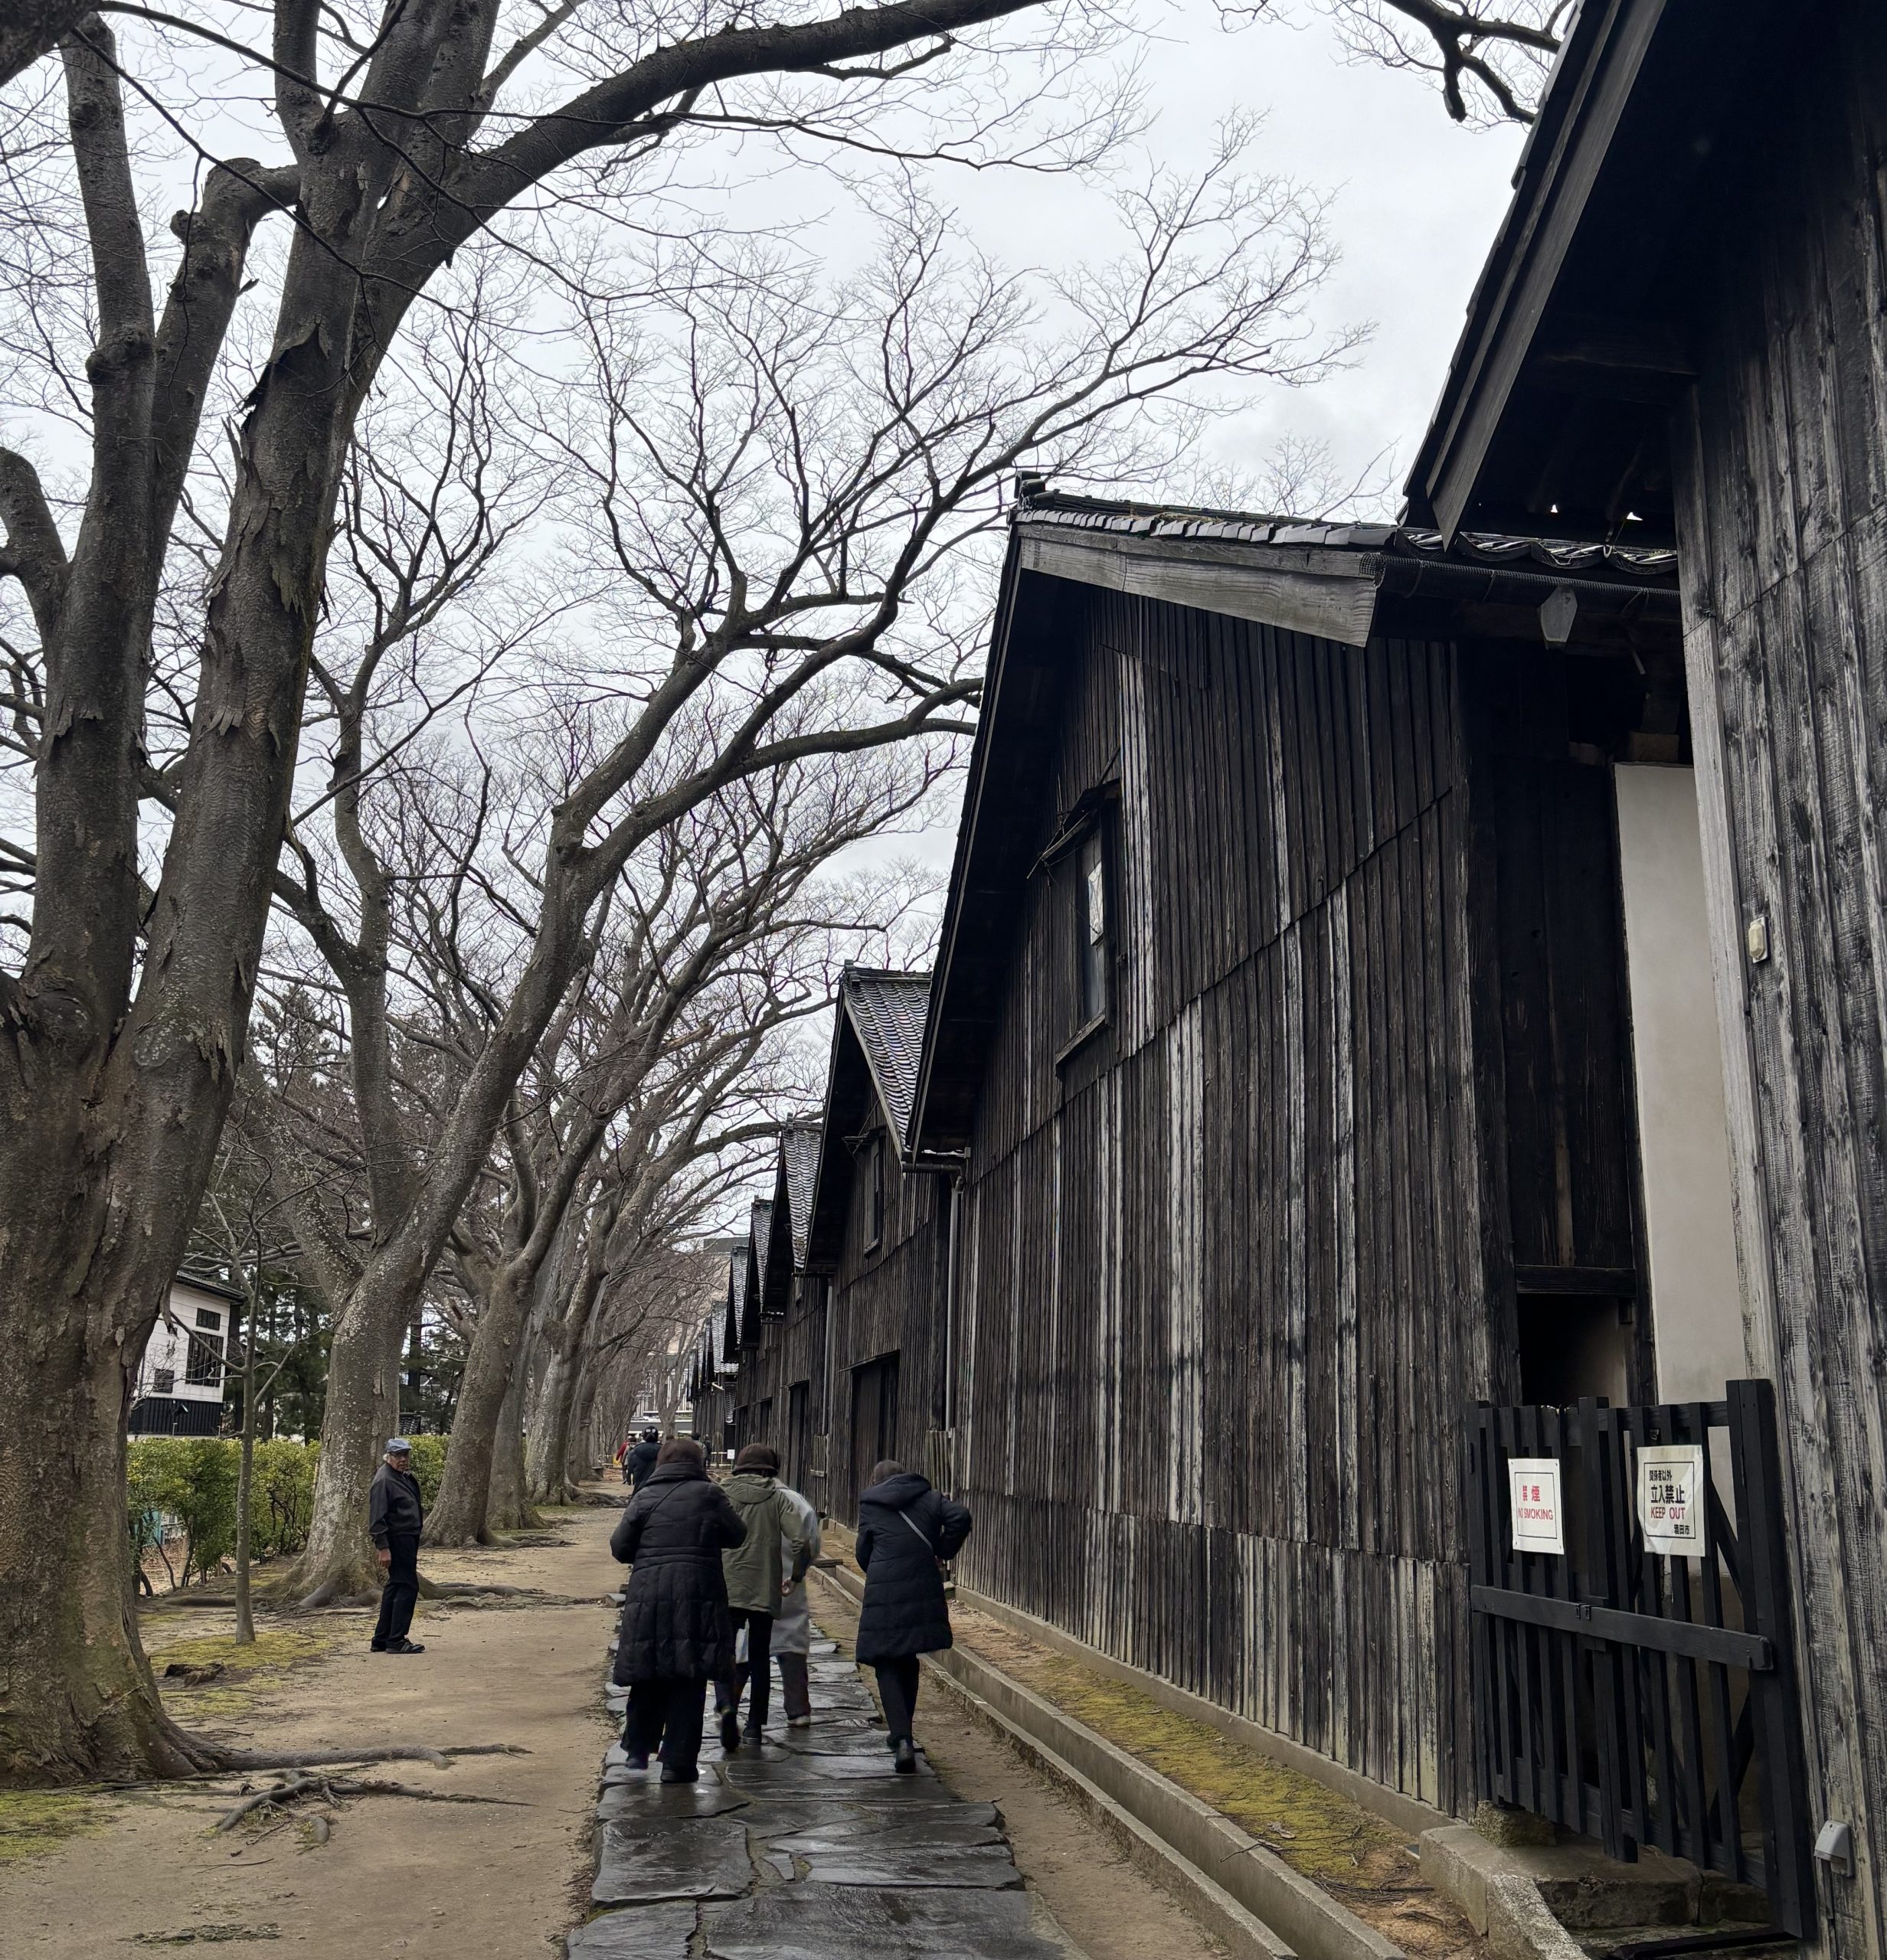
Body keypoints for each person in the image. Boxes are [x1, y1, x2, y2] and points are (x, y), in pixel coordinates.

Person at [610, 1436, 746, 1782]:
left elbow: (620, 1547)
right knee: (690, 1676)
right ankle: (677, 1764)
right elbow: (737, 1535)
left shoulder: (645, 1496)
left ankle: (638, 1751)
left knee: (648, 1670)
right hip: (698, 1593)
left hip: (649, 1593)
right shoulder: (710, 1494)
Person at [855, 1458, 972, 1772]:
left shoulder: (871, 1503)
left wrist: (877, 1567)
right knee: (908, 1658)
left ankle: (902, 1738)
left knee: (885, 1661)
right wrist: (942, 1549)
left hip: (884, 1590)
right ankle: (904, 1733)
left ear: (876, 1480)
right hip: (922, 1585)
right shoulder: (930, 1498)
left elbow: (863, 1552)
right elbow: (961, 1516)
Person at [715, 1444, 809, 1750]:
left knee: (724, 1652)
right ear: (770, 1471)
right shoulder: (778, 1498)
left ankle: (726, 1705)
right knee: (759, 1658)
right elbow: (801, 1541)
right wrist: (796, 1577)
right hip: (764, 1588)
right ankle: (754, 1727)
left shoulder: (720, 1494)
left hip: (726, 1587)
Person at [737, 1475, 822, 1726]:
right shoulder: (795, 1501)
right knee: (792, 1642)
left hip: (745, 1583)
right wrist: (798, 1572)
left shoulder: (733, 1498)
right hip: (787, 1583)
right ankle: (798, 1709)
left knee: (742, 1644)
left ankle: (728, 1703)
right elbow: (812, 1544)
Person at [368, 1437, 427, 1656]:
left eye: (405, 1455)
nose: (403, 1459)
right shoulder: (384, 1481)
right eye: (398, 1455)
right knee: (407, 1586)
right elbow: (376, 1519)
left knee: (395, 1585)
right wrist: (383, 1547)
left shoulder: (401, 1477)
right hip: (397, 1539)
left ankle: (382, 1639)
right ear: (388, 1457)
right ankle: (396, 1640)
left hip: (407, 1537)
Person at [623, 1426, 661, 1491]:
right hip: (659, 1490)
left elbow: (630, 1469)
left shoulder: (634, 1451)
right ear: (657, 1437)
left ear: (644, 1437)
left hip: (640, 1489)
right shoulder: (665, 1451)